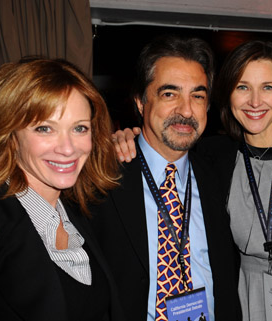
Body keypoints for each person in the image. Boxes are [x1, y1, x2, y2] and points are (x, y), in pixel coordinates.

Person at [117, 40, 272, 321]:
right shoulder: (216, 160)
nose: (255, 101)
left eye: (268, 87)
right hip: (247, 306)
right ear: (228, 97)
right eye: (242, 87)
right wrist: (122, 139)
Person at [0, 59, 125, 321]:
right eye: (45, 128)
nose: (68, 148)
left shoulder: (81, 216)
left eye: (79, 128)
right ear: (9, 134)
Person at [90, 34, 242, 321]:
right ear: (140, 101)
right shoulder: (101, 175)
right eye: (169, 94)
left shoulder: (220, 174)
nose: (186, 111)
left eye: (197, 96)